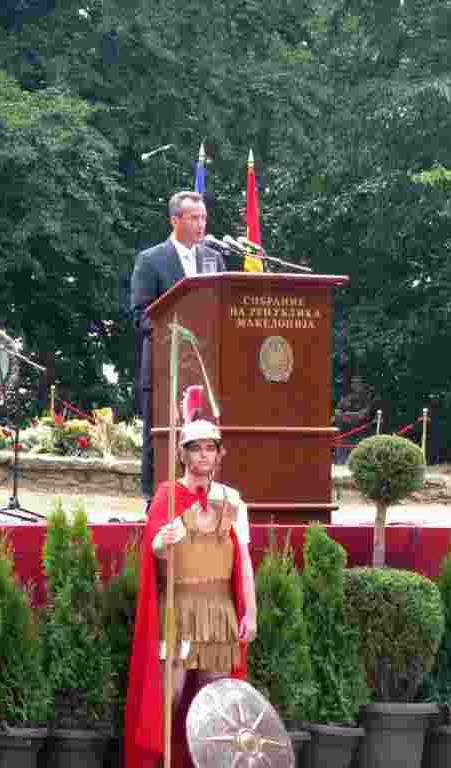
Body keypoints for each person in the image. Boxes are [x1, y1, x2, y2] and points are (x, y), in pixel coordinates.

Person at [124, 419, 257, 768]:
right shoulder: (167, 496)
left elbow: (242, 559)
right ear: (183, 454)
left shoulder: (232, 500)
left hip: (219, 611)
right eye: (196, 448)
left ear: (219, 454)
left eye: (210, 447)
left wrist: (251, 613)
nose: (203, 454)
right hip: (179, 609)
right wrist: (159, 543)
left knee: (213, 703)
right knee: (172, 693)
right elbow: (156, 552)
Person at [131, 192, 226, 506]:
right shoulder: (151, 260)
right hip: (164, 367)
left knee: (207, 433)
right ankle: (152, 499)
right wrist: (180, 331)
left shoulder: (215, 259)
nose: (201, 225)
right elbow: (139, 316)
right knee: (158, 436)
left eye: (203, 218)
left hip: (209, 367)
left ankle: (207, 494)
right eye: (193, 218)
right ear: (175, 220)